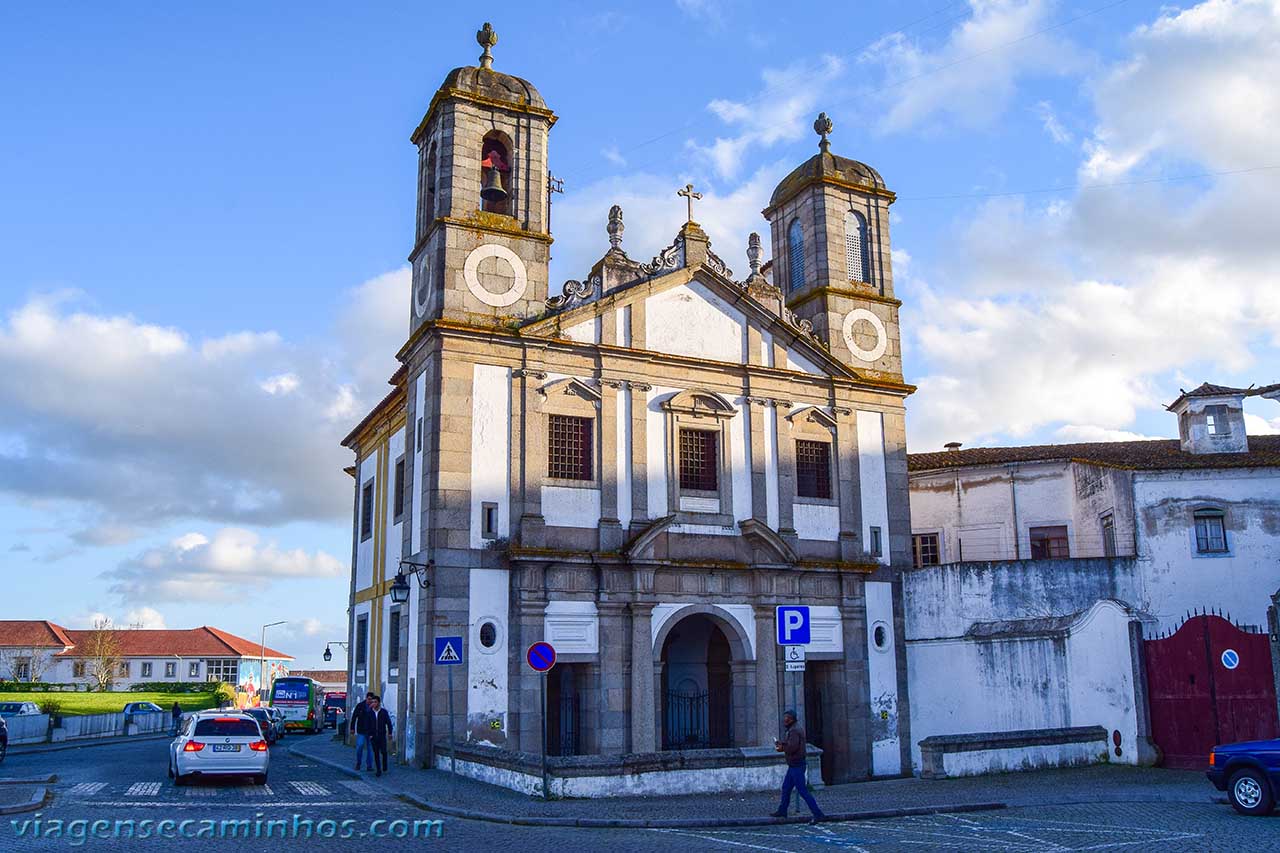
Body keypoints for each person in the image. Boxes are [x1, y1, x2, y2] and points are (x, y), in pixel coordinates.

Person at [770, 709, 824, 822]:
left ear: (792, 719)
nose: (784, 720)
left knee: (802, 790)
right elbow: (792, 744)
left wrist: (781, 748)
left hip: (797, 765)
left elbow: (793, 747)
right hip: (794, 765)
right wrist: (782, 743)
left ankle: (818, 813)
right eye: (784, 718)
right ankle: (782, 810)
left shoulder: (794, 731)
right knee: (786, 788)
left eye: (787, 718)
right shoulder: (794, 729)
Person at [368, 694, 394, 778]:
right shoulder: (370, 713)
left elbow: (388, 723)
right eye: (372, 702)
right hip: (373, 736)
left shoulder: (383, 712)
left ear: (379, 703)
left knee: (383, 751)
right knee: (376, 753)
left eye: (375, 702)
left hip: (382, 735)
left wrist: (390, 733)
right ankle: (378, 770)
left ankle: (384, 765)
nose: (373, 703)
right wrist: (369, 734)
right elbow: (367, 724)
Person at [351, 694, 374, 772]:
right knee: (359, 746)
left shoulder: (374, 708)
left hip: (371, 731)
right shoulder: (360, 706)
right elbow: (354, 717)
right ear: (366, 698)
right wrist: (352, 728)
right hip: (361, 730)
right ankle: (358, 763)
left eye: (371, 699)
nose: (370, 701)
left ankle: (369, 765)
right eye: (369, 699)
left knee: (370, 749)